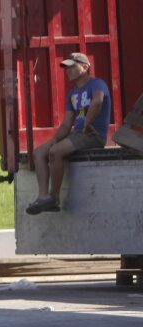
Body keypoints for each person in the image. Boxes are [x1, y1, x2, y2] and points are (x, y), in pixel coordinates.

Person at [26, 52, 111, 215]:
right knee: (38, 153)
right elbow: (66, 124)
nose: (68, 71)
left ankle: (54, 198)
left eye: (72, 67)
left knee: (55, 152)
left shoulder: (97, 84)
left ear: (85, 67)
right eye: (67, 68)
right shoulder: (72, 94)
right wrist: (55, 139)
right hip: (76, 135)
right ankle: (43, 197)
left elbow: (98, 101)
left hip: (93, 136)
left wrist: (87, 124)